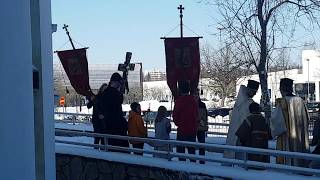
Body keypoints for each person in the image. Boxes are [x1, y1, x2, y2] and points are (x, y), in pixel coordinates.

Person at [271, 78, 309, 167]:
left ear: (281, 89)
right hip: (300, 136)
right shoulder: (301, 101)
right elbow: (307, 119)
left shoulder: (283, 102)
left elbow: (277, 122)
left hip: (287, 138)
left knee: (289, 160)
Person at [224, 79, 260, 160]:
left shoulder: (241, 101)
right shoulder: (247, 103)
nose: (255, 93)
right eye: (254, 91)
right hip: (243, 135)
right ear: (249, 90)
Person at [99, 72, 129, 152]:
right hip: (116, 127)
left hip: (108, 126)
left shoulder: (105, 93)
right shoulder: (114, 93)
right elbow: (119, 101)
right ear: (116, 82)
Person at [173, 80, 198, 162]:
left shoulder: (179, 101)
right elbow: (196, 115)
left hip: (182, 129)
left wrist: (179, 123)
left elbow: (175, 116)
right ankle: (193, 168)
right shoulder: (193, 101)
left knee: (181, 152)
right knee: (192, 152)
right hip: (192, 129)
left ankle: (182, 169)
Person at [86, 83, 108, 149]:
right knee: (97, 137)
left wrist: (104, 115)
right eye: (104, 89)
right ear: (101, 89)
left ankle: (102, 151)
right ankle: (96, 152)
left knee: (103, 137)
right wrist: (92, 100)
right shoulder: (96, 97)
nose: (105, 91)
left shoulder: (107, 98)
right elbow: (88, 106)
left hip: (104, 120)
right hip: (97, 120)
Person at [196, 89, 208, 164]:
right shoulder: (191, 104)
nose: (196, 95)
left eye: (197, 94)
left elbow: (205, 116)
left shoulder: (202, 105)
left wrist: (205, 124)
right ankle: (193, 160)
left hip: (201, 127)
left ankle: (201, 160)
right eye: (195, 94)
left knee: (202, 145)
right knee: (192, 145)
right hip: (194, 127)